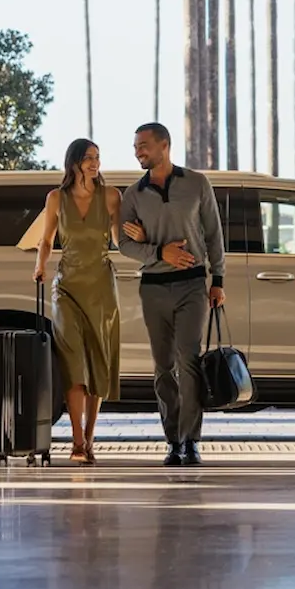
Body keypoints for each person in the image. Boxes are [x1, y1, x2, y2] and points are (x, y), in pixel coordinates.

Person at [118, 122, 224, 467]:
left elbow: (213, 233)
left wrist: (218, 279)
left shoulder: (197, 183)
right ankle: (173, 441)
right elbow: (123, 244)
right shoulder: (133, 195)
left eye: (144, 145)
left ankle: (191, 440)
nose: (138, 151)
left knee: (188, 361)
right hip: (153, 288)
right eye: (136, 146)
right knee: (163, 367)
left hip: (192, 285)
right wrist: (159, 252)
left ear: (164, 145)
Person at [34, 138, 122, 464]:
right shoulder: (56, 198)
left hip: (101, 289)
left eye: (97, 157)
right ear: (74, 162)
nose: (95, 163)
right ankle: (76, 441)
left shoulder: (111, 196)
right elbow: (46, 240)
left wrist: (138, 235)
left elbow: (118, 240)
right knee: (73, 363)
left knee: (98, 362)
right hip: (67, 288)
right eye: (88, 158)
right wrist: (40, 266)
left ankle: (90, 436)